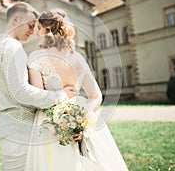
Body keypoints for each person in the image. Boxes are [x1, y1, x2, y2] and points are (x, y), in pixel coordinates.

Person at [24, 10, 128, 170]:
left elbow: (39, 99)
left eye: (40, 28)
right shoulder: (78, 58)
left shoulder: (36, 57)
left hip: (48, 123)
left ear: (49, 31)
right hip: (77, 113)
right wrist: (81, 120)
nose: (37, 33)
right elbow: (96, 96)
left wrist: (73, 121)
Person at [0, 2, 77, 171]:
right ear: (15, 19)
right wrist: (61, 96)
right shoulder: (12, 46)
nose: (32, 32)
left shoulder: (2, 44)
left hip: (12, 129)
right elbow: (21, 92)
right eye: (30, 26)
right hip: (18, 130)